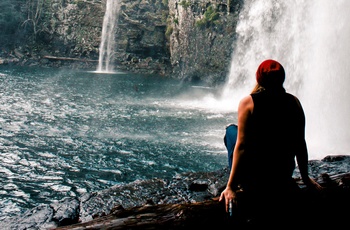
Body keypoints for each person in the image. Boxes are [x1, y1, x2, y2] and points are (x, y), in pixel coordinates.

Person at [219, 59, 323, 227]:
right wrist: (305, 177)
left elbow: (242, 146)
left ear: (259, 78)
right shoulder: (294, 102)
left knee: (231, 131)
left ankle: (237, 182)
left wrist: (230, 186)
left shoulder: (248, 102)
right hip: (282, 175)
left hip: (254, 179)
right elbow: (300, 143)